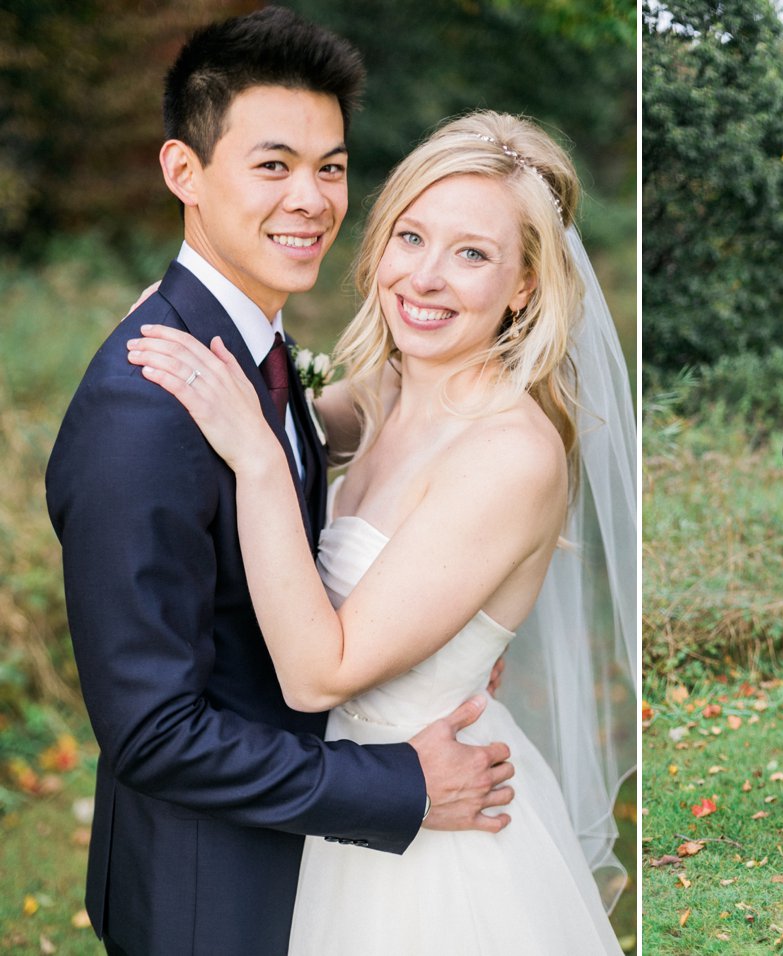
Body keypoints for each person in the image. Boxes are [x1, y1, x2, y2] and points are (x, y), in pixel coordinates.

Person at [46, 10, 514, 954]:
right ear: (185, 173)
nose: (310, 198)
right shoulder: (147, 411)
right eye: (272, 165)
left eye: (331, 167)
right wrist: (403, 788)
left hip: (303, 867)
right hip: (209, 894)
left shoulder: (255, 358)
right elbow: (153, 733)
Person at [126, 110, 634, 953]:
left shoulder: (511, 453)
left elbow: (318, 673)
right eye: (410, 237)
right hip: (341, 799)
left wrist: (254, 454)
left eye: (472, 254)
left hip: (432, 827)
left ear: (525, 287)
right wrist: (193, 319)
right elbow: (281, 419)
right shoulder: (384, 391)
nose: (425, 278)